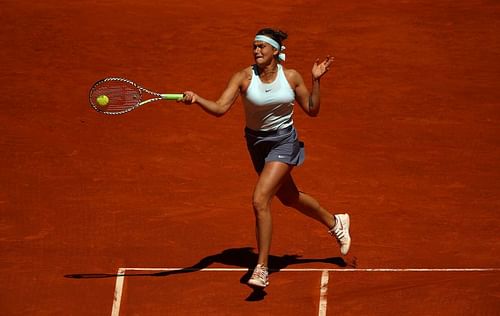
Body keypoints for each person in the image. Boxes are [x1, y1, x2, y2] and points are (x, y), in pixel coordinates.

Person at [180, 28, 351, 288]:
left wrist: (316, 80)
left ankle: (261, 267)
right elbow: (220, 108)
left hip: (284, 141)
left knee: (260, 199)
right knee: (289, 197)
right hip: (257, 144)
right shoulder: (244, 77)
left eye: (262, 46)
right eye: (254, 47)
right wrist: (197, 99)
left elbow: (313, 110)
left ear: (275, 51)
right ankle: (335, 221)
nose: (257, 51)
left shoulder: (291, 77)